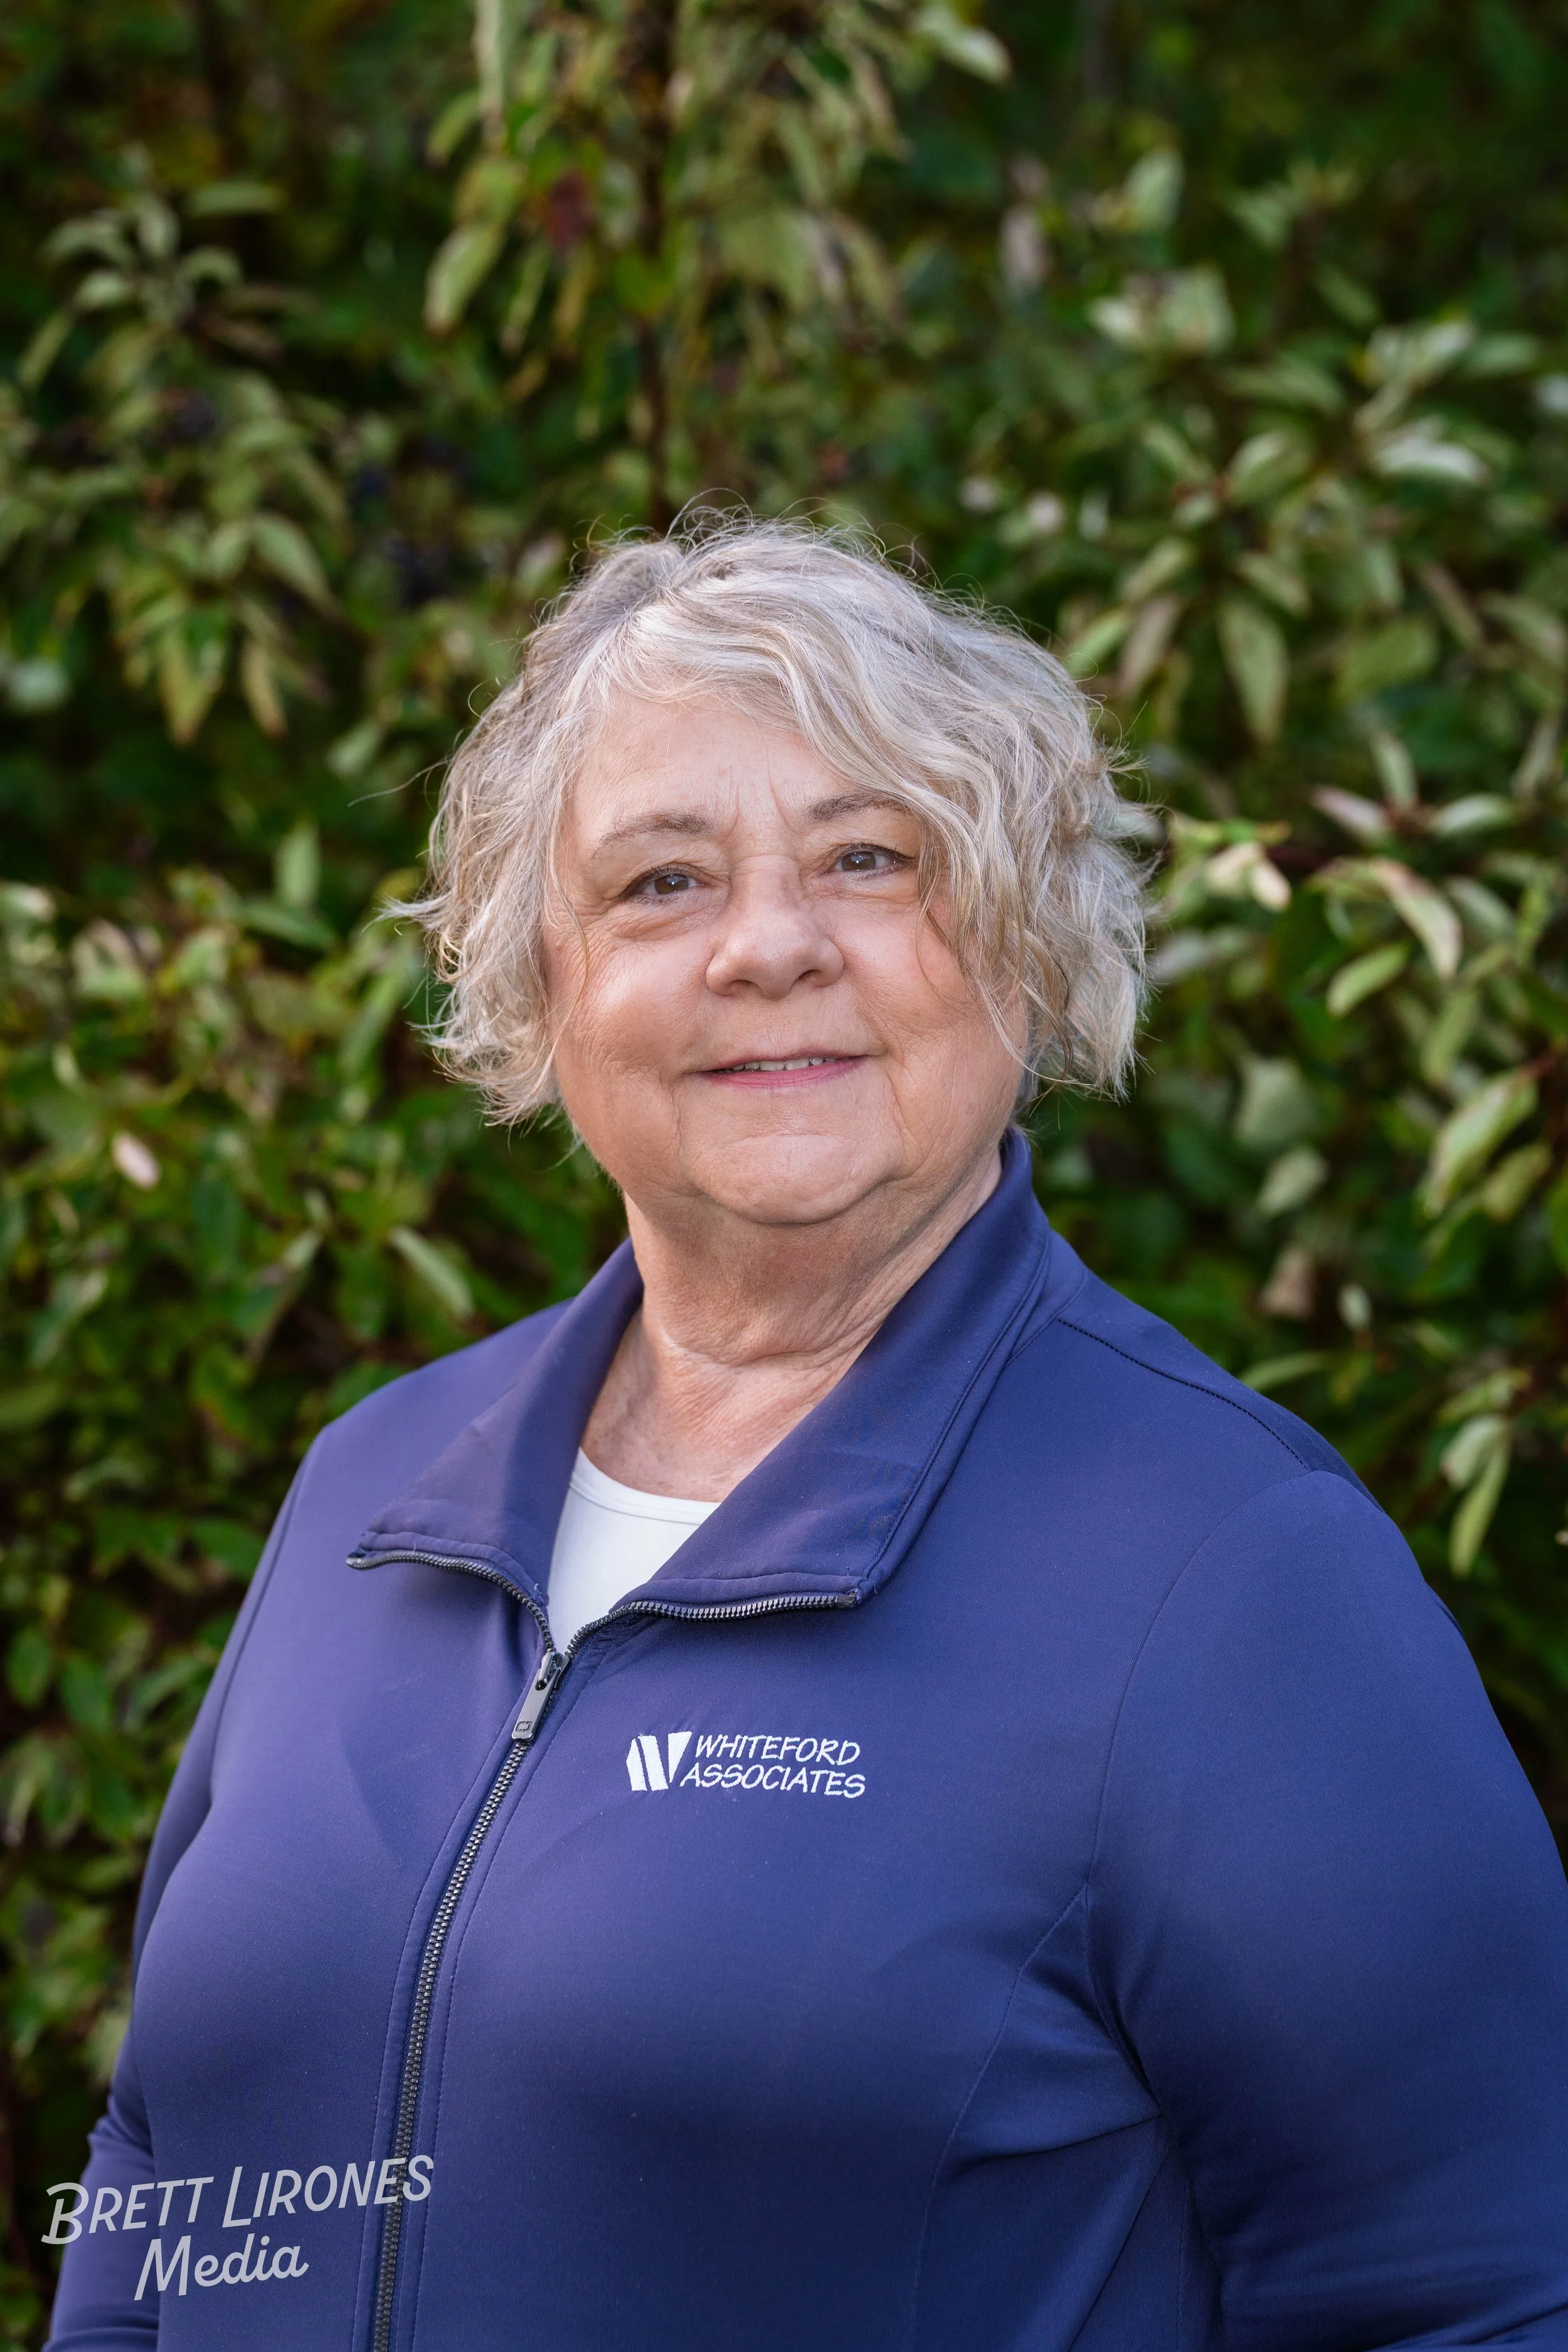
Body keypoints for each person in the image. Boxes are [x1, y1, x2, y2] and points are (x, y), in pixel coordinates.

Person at [47, 520, 1568, 2352]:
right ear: (546, 978)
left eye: (871, 858)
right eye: (663, 881)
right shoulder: (372, 1484)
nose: (769, 945)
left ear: (1024, 941)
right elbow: (162, 2165)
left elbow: (1473, 2299)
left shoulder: (1232, 1569)